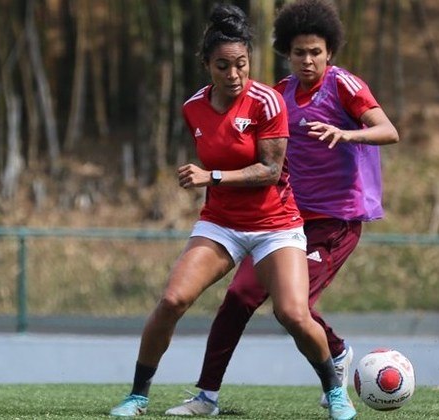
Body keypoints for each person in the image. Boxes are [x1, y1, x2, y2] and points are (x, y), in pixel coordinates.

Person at [108, 4, 357, 420]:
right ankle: (137, 396)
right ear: (207, 64)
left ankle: (334, 391)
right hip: (221, 224)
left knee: (293, 314)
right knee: (172, 300)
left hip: (276, 225)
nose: (234, 74)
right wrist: (207, 180)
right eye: (223, 66)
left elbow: (270, 170)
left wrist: (212, 176)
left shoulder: (269, 101)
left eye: (241, 64)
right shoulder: (193, 108)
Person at [165, 0, 399, 416]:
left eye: (316, 52)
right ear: (286, 55)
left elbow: (388, 130)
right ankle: (206, 397)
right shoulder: (278, 95)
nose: (307, 60)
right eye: (298, 53)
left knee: (294, 306)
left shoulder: (344, 85)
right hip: (284, 219)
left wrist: (345, 134)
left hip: (335, 220)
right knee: (237, 298)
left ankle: (337, 355)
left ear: (330, 53)